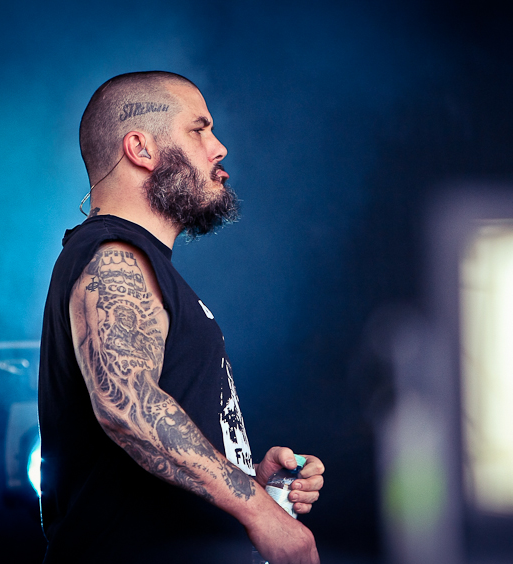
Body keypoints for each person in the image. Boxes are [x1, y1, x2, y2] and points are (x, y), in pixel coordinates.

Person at [38, 71, 324, 563]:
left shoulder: (140, 263)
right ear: (140, 148)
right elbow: (127, 405)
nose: (219, 148)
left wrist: (251, 477)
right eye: (199, 129)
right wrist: (260, 512)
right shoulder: (112, 254)